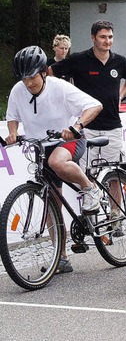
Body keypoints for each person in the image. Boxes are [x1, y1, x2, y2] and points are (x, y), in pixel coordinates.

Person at [5, 45, 103, 274]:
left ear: (42, 72)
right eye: (23, 79)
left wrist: (76, 126)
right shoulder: (18, 90)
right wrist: (12, 132)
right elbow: (12, 117)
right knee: (52, 205)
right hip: (41, 147)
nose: (28, 84)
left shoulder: (59, 87)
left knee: (57, 162)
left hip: (68, 141)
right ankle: (61, 257)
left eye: (32, 78)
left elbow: (94, 105)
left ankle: (89, 189)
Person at [49, 20, 126, 174]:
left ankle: (113, 200)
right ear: (93, 38)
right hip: (86, 128)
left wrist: (120, 96)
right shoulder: (78, 59)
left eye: (110, 37)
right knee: (88, 174)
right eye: (103, 37)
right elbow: (50, 73)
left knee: (114, 174)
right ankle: (92, 199)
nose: (107, 41)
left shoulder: (120, 61)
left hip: (113, 126)